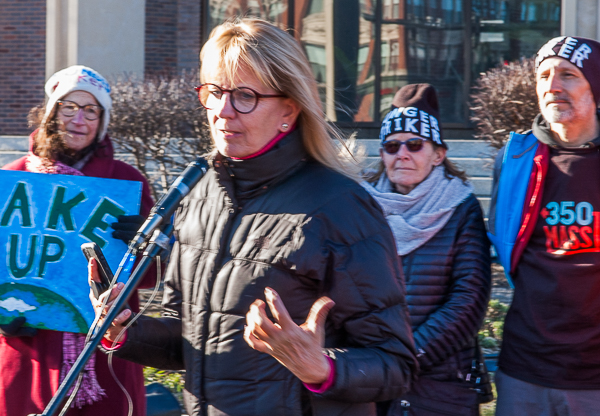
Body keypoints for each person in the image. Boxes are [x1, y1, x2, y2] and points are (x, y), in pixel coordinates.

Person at [92, 18, 418, 416]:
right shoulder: (199, 192)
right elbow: (188, 338)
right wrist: (124, 330)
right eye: (214, 91)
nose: (223, 111)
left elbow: (396, 364)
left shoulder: (340, 207)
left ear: (289, 110)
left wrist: (321, 368)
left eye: (245, 95)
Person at [0, 65, 154, 416]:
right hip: (26, 350)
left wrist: (145, 246)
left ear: (102, 120)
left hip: (106, 356)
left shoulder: (127, 182)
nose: (78, 119)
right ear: (51, 112)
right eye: (69, 107)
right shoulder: (11, 180)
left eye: (90, 110)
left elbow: (152, 278)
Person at [363, 84, 492, 416]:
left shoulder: (462, 208)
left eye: (415, 144)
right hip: (372, 380)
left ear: (438, 154)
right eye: (392, 146)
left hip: (442, 386)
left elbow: (468, 300)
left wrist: (408, 356)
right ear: (382, 154)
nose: (402, 154)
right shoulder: (362, 208)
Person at [488, 36, 600, 415]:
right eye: (544, 75)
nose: (552, 86)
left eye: (568, 75)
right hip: (524, 369)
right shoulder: (515, 159)